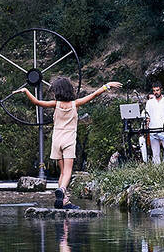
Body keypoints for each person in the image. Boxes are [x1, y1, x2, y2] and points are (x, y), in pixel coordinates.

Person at [15, 78, 121, 209]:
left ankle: (63, 201)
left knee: (62, 172)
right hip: (69, 140)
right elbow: (94, 95)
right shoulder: (75, 103)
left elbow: (36, 102)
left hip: (56, 140)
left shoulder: (55, 104)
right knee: (68, 171)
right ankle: (63, 190)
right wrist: (106, 86)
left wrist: (26, 90)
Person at [145, 83, 164, 164]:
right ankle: (157, 173)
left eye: (157, 90)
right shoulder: (149, 102)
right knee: (155, 155)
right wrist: (147, 128)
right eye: (154, 91)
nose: (156, 92)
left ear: (161, 90)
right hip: (153, 130)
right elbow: (147, 117)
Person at [138, 93, 155, 163]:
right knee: (141, 139)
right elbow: (143, 125)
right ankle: (145, 161)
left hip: (159, 133)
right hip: (148, 133)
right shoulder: (144, 112)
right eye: (150, 98)